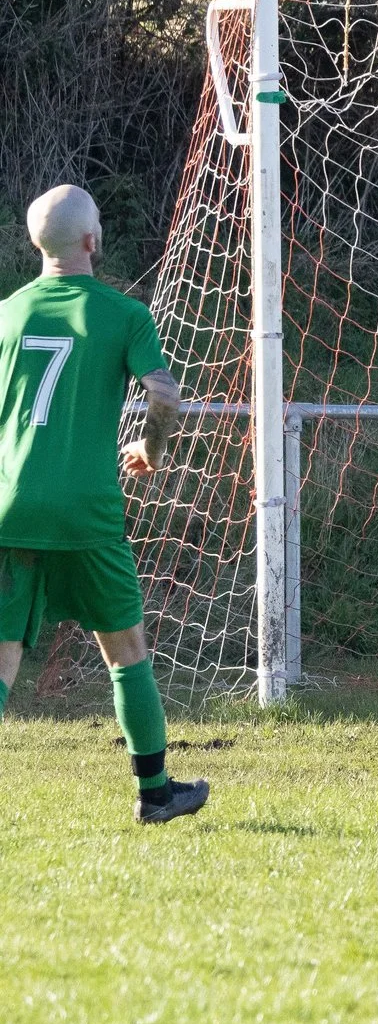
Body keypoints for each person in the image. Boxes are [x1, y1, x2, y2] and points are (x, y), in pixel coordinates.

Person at [0, 186, 204, 822]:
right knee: (126, 652)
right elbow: (165, 394)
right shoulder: (124, 314)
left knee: (3, 657)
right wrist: (150, 445)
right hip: (85, 509)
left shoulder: (5, 314)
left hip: (9, 506)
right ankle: (156, 792)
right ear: (92, 241)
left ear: (38, 245)